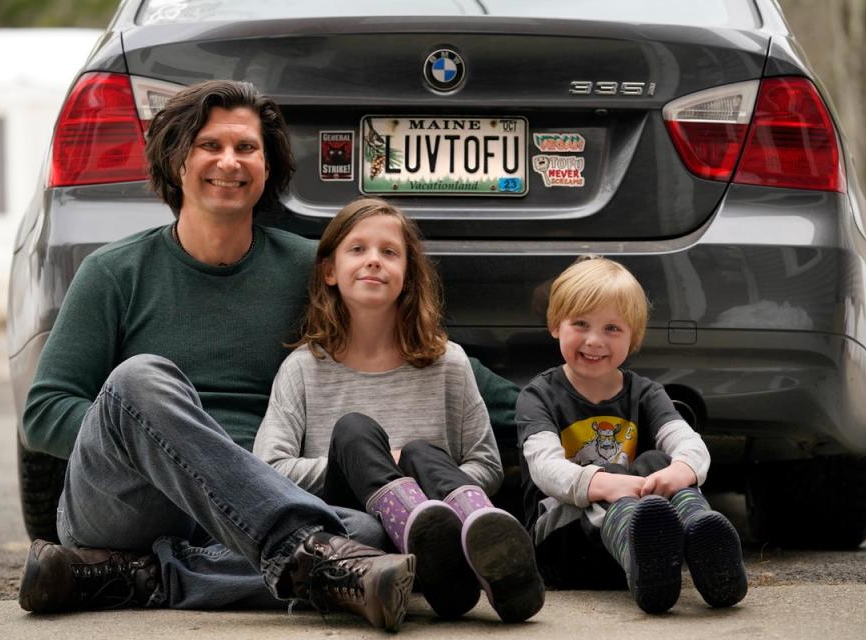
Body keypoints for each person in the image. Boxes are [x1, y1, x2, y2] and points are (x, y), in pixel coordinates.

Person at [15, 80, 417, 631]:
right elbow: (43, 413)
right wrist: (166, 444)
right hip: (131, 499)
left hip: (250, 503)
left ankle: (140, 578)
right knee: (140, 378)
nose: (229, 162)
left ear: (268, 168)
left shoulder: (311, 269)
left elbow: (415, 348)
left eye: (246, 148)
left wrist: (556, 399)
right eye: (210, 145)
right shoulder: (113, 272)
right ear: (177, 160)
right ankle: (299, 556)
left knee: (367, 535)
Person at [253, 197, 545, 623]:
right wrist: (371, 466)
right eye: (358, 249)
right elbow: (269, 468)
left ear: (407, 275)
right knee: (354, 431)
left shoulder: (449, 363)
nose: (374, 261)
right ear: (330, 271)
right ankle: (410, 522)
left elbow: (487, 463)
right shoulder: (303, 367)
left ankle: (493, 564)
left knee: (423, 452)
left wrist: (420, 474)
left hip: (440, 530)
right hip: (353, 538)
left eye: (389, 252)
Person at [515, 255, 748, 613]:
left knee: (660, 460)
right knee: (613, 474)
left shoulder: (646, 393)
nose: (594, 341)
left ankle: (702, 537)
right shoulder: (538, 396)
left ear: (633, 337)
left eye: (612, 328)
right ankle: (640, 544)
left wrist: (680, 472)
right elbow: (545, 469)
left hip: (645, 547)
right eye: (580, 323)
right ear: (555, 325)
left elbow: (688, 444)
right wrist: (608, 485)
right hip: (566, 546)